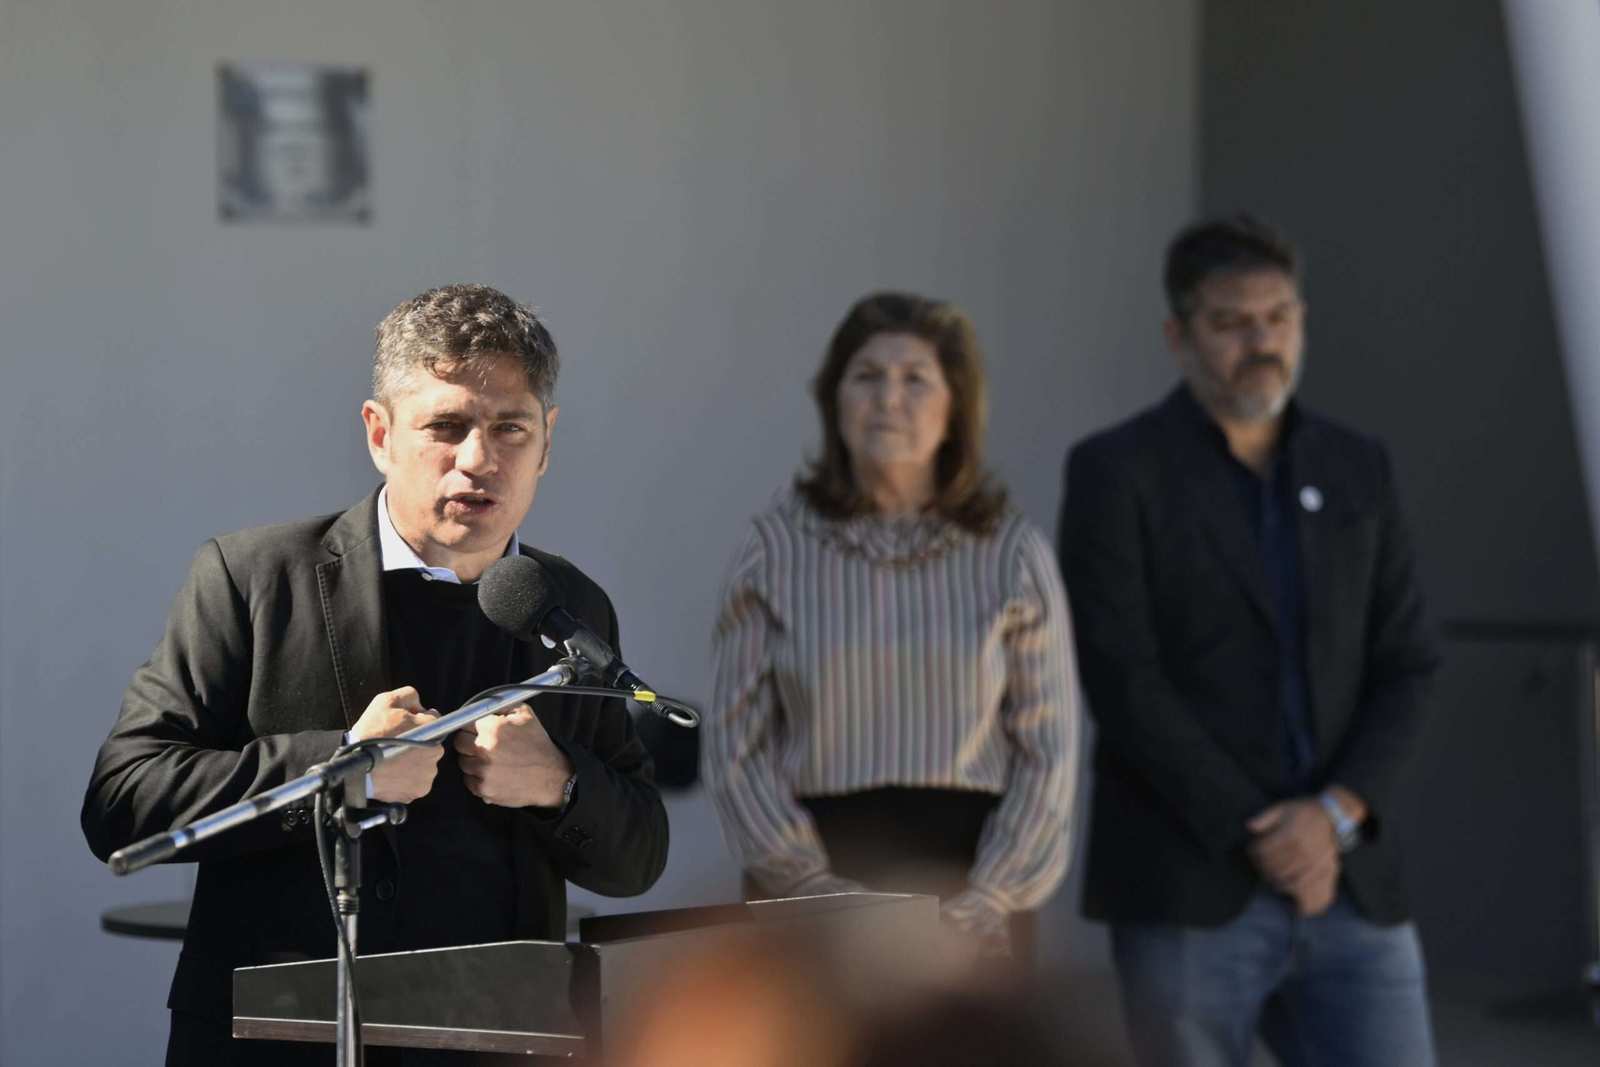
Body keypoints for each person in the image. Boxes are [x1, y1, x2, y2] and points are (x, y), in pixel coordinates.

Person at [81, 284, 669, 1065]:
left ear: (547, 442)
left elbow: (637, 855)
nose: (478, 459)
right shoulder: (252, 578)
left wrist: (558, 782)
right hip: (282, 1039)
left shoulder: (572, 606)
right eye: (446, 426)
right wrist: (341, 768)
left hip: (500, 1039)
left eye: (510, 429)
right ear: (379, 432)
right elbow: (123, 802)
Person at [1058, 216, 1439, 1065]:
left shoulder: (1358, 466)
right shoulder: (1117, 471)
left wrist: (1332, 815)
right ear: (1179, 335)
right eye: (1231, 322)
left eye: (1278, 317)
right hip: (1190, 883)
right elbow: (1123, 679)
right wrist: (1262, 829)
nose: (1260, 341)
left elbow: (1409, 661)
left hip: (1352, 886)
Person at [705, 291, 1079, 961]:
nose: (889, 399)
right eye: (867, 376)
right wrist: (814, 887)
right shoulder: (775, 547)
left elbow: (1048, 751)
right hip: (814, 887)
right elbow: (737, 748)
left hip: (973, 887)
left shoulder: (1011, 551)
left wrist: (990, 895)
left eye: (916, 379)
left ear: (954, 407)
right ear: (834, 400)